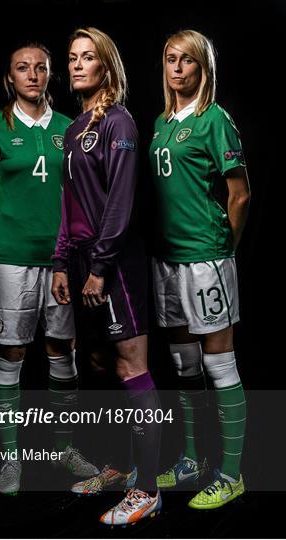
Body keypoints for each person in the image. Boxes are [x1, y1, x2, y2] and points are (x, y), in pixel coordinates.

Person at [0, 41, 99, 495]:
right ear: (11, 77)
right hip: (11, 263)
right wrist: (12, 241)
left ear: (50, 75)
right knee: (11, 356)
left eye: (40, 68)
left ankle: (65, 449)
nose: (32, 75)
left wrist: (66, 252)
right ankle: (10, 460)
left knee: (63, 353)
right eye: (22, 68)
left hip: (63, 263)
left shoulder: (72, 127)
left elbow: (84, 198)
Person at [51, 27, 162, 526]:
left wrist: (99, 267)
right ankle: (122, 467)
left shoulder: (119, 122)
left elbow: (120, 203)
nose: (76, 65)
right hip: (79, 264)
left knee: (130, 367)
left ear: (106, 67)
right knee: (98, 362)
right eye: (72, 58)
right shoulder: (75, 130)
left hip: (114, 262)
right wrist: (61, 263)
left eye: (87, 57)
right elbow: (68, 203)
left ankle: (148, 488)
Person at [149, 29, 250, 509]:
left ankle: (230, 474)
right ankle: (192, 461)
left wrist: (223, 248)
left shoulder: (215, 120)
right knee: (184, 366)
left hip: (206, 258)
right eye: (171, 59)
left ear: (201, 67)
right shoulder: (159, 124)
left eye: (186, 60)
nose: (177, 68)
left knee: (218, 363)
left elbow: (240, 193)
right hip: (166, 260)